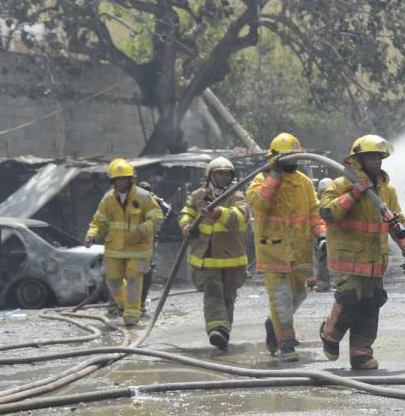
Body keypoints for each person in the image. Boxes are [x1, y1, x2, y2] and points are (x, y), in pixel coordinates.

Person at [318, 134, 405, 370]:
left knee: (371, 303)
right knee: (350, 299)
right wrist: (354, 194)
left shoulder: (387, 189)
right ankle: (330, 335)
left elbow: (397, 221)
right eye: (372, 156)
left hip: (374, 260)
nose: (377, 161)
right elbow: (328, 213)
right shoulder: (341, 184)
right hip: (347, 258)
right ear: (358, 159)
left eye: (380, 157)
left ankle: (361, 354)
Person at [247, 133, 326, 362]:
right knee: (281, 299)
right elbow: (260, 202)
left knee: (299, 294)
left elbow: (314, 213)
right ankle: (286, 344)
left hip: (299, 251)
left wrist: (320, 235)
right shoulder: (260, 180)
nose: (292, 162)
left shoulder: (304, 182)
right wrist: (274, 176)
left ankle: (274, 323)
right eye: (286, 158)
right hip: (273, 252)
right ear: (274, 159)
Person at [177, 157, 250, 351]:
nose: (223, 177)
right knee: (213, 291)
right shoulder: (197, 196)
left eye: (227, 174)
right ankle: (216, 329)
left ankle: (223, 332)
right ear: (210, 175)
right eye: (219, 173)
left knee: (227, 297)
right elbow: (186, 212)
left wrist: (219, 213)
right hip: (205, 258)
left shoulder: (237, 197)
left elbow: (240, 219)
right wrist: (185, 225)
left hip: (231, 258)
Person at [85, 158, 163, 327]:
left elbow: (157, 219)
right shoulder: (108, 199)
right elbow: (99, 221)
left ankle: (132, 316)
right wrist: (92, 234)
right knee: (113, 281)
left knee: (134, 281)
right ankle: (124, 306)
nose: (121, 182)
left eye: (124, 178)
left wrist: (139, 232)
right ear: (113, 180)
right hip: (114, 250)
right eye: (118, 179)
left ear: (131, 179)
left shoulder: (143, 197)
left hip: (138, 249)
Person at [137, 180, 171, 312]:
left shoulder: (153, 200)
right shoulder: (133, 200)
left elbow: (166, 209)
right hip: (135, 237)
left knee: (146, 269)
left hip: (148, 238)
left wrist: (157, 226)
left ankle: (140, 302)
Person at [313, 177, 334, 292]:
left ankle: (332, 282)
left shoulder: (334, 201)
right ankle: (324, 283)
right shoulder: (317, 204)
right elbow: (318, 220)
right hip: (324, 235)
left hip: (333, 234)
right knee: (323, 257)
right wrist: (322, 235)